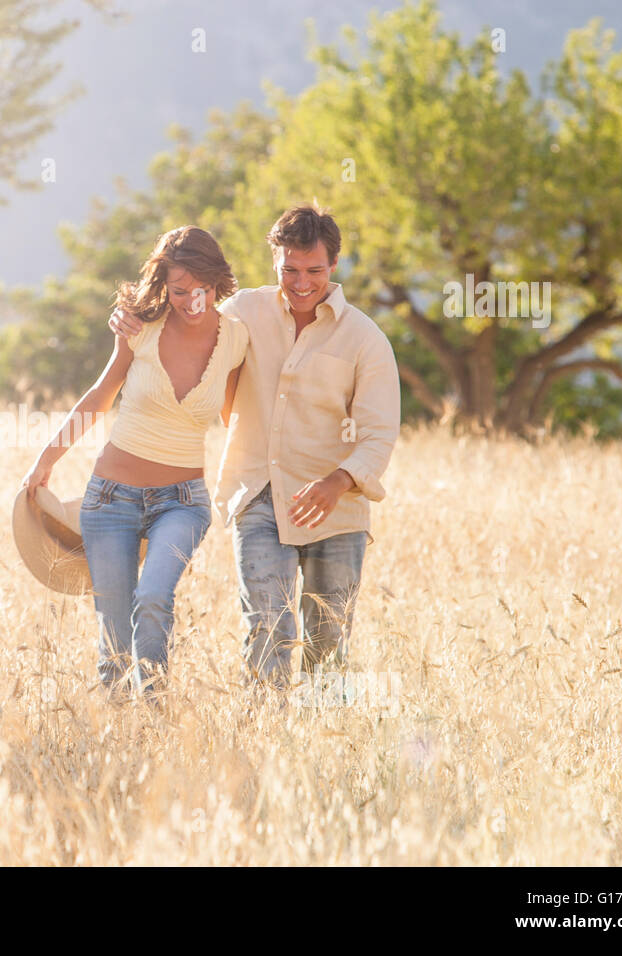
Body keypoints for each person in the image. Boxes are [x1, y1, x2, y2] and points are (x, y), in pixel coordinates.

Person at [111, 203, 400, 706]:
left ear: (333, 265)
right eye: (289, 270)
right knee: (267, 624)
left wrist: (337, 482)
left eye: (313, 270)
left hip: (339, 511)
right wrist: (134, 315)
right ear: (275, 262)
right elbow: (188, 319)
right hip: (257, 495)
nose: (301, 282)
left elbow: (378, 434)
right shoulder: (244, 310)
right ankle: (262, 735)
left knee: (328, 642)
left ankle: (322, 745)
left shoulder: (365, 339)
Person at [21, 226, 248, 701]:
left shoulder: (236, 340)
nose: (190, 302)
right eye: (179, 291)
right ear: (164, 285)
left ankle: (157, 706)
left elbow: (237, 414)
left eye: (201, 291)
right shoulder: (139, 329)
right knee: (115, 635)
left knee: (153, 597)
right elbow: (99, 397)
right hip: (111, 500)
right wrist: (47, 458)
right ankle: (126, 732)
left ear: (217, 283)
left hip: (182, 502)